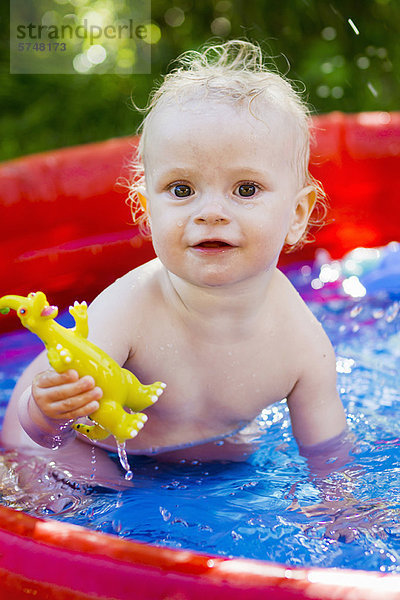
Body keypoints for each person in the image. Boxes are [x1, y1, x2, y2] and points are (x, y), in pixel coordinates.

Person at [1, 40, 347, 481]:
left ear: (297, 215)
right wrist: (48, 411)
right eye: (182, 190)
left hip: (196, 443)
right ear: (146, 210)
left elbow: (329, 453)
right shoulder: (131, 308)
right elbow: (47, 429)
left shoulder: (302, 342)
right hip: (75, 444)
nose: (211, 212)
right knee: (71, 494)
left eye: (245, 189)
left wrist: (346, 510)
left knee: (235, 458)